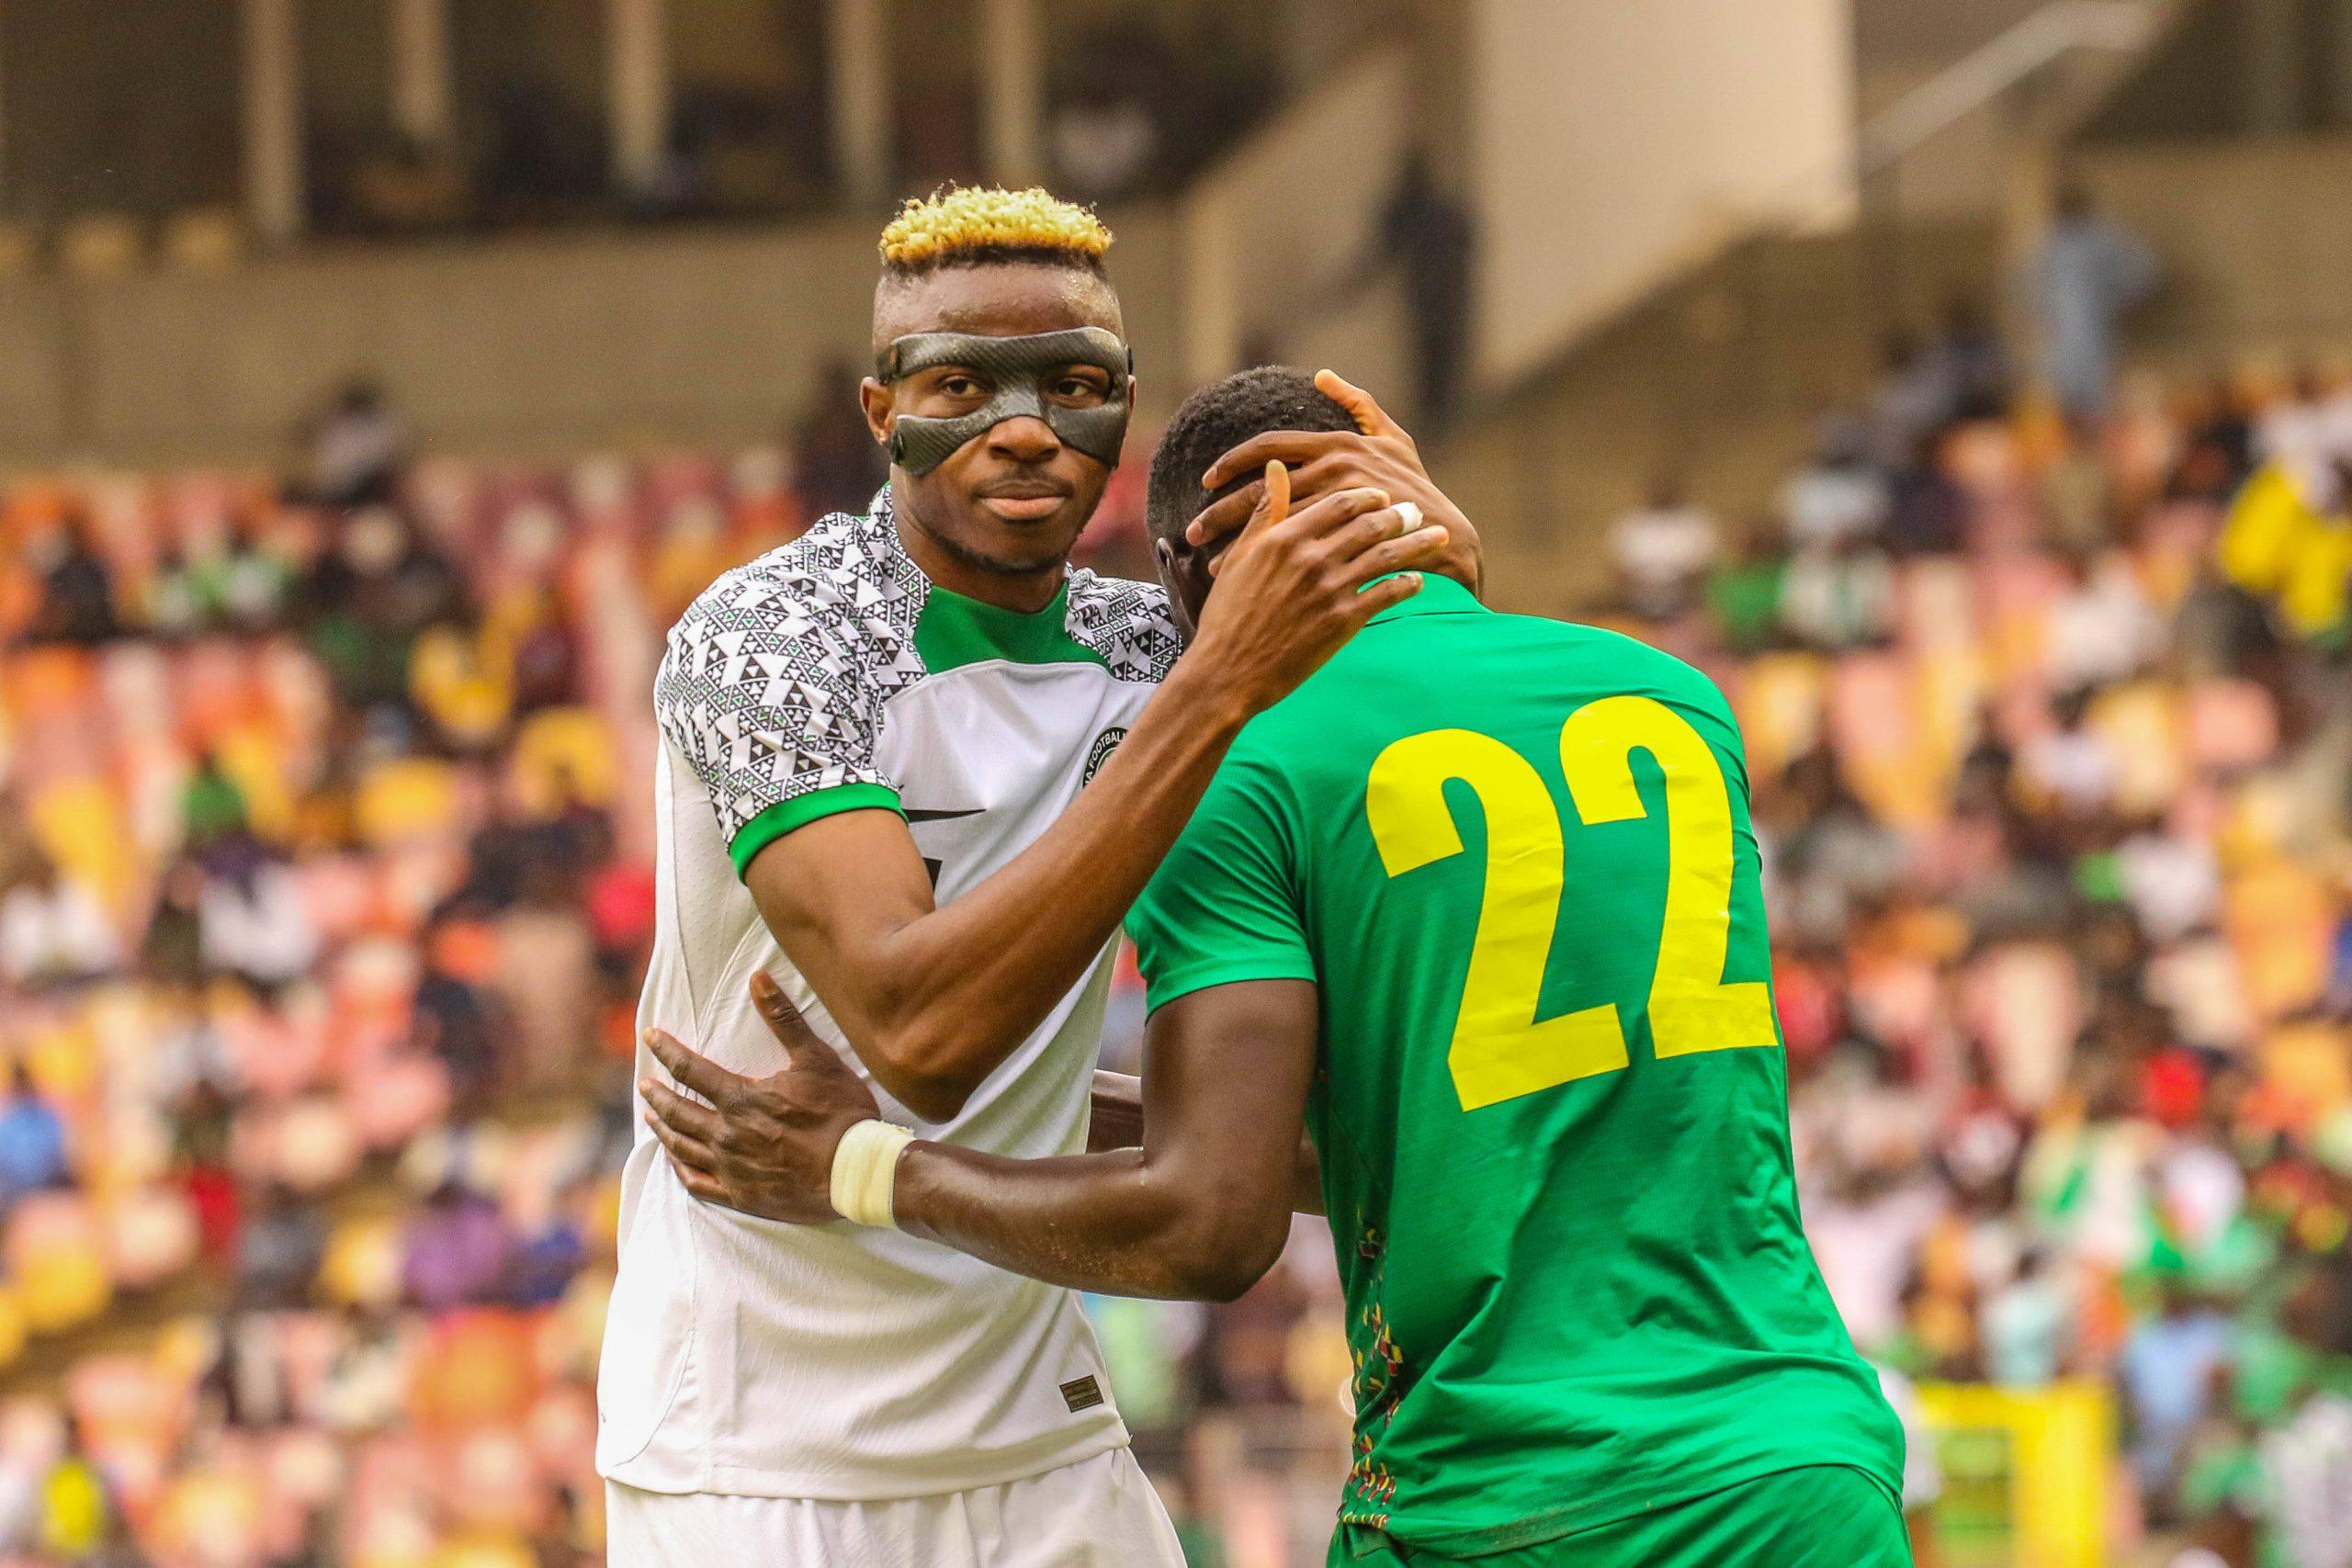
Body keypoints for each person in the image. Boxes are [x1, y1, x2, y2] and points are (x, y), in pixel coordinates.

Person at [643, 367, 1908, 1566]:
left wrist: (863, 1167)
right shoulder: (1675, 698)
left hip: (1507, 1491)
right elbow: (1434, 1123)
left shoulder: (1239, 766)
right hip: (1800, 1458)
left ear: (1188, 579)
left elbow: (1210, 1218)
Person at [598, 188, 1475, 1566]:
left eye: (1073, 385)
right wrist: (1220, 686)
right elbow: (922, 1036)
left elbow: (1474, 757)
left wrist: (1443, 570)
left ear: (1124, 407)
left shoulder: (1160, 652)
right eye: (963, 385)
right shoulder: (770, 636)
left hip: (1048, 1442)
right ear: (883, 412)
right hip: (757, 1455)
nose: (1024, 429)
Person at [2030, 185, 2157, 423]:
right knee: (2063, 405)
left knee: (2100, 404)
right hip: (2063, 341)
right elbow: (2031, 289)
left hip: (2097, 335)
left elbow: (2146, 271)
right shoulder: (2051, 246)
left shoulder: (2103, 240)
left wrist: (2115, 299)